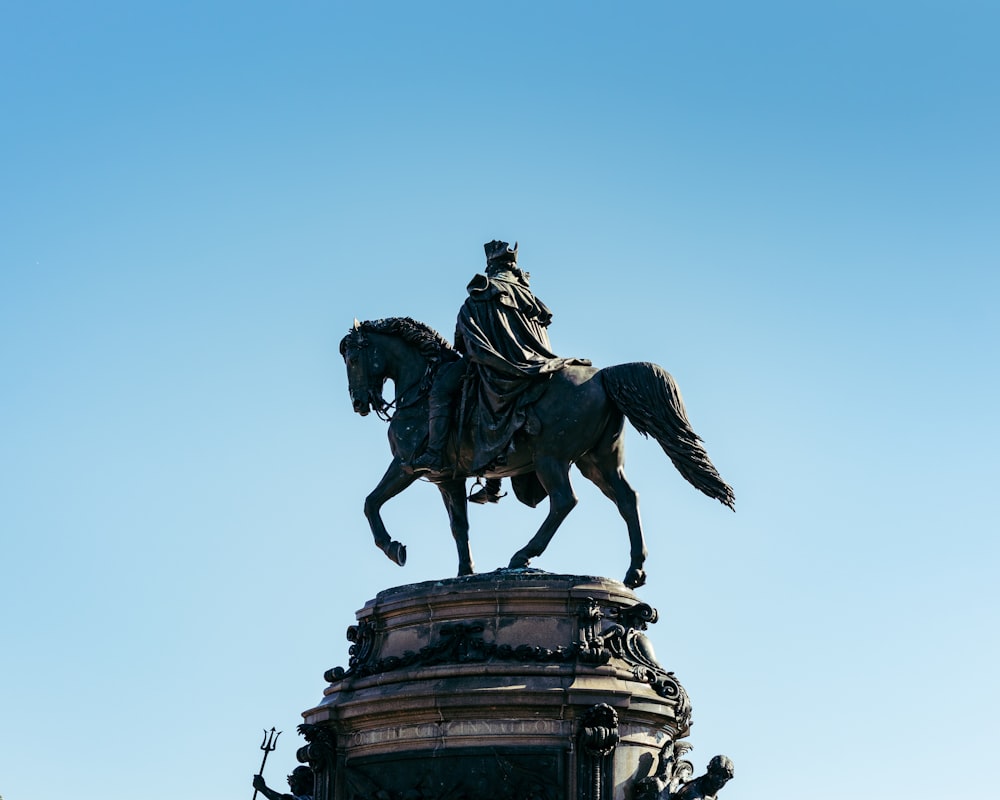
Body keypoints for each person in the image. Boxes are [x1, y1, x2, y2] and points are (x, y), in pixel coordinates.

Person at [410, 240, 587, 486]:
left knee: (441, 389)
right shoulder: (530, 297)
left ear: (490, 265)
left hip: (496, 363)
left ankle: (435, 453)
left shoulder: (481, 293)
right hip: (538, 363)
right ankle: (493, 483)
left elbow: (463, 341)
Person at [670, 755, 734, 800]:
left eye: (725, 777)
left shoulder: (710, 793)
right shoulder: (692, 792)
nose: (720, 780)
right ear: (710, 772)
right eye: (718, 774)